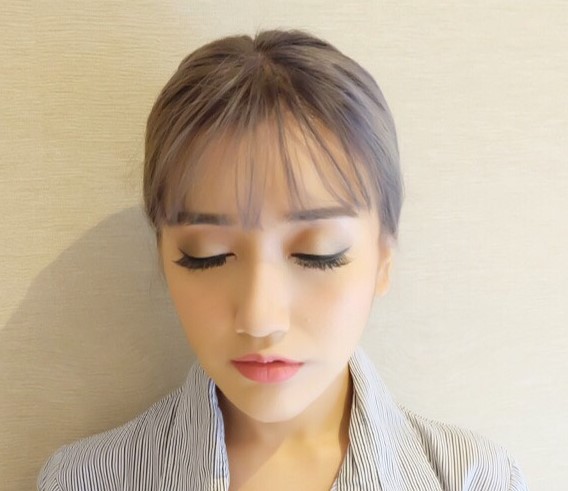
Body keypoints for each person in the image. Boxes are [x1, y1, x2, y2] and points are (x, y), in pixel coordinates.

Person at [37, 29, 529, 490]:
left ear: (384, 256)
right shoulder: (87, 480)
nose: (260, 319)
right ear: (164, 255)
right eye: (207, 256)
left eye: (317, 254)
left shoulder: (475, 479)